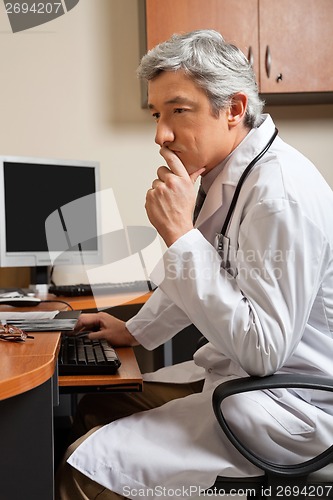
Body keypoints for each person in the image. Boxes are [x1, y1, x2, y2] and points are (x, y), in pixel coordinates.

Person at [56, 29, 333, 499]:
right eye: (157, 114)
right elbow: (205, 271)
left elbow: (263, 351)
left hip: (288, 407)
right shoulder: (227, 175)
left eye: (178, 111)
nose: (160, 134)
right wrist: (134, 332)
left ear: (234, 109)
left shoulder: (278, 195)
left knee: (79, 474)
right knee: (102, 403)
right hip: (241, 384)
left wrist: (179, 234)